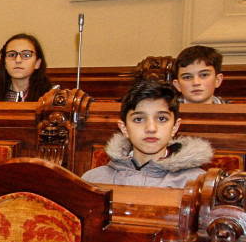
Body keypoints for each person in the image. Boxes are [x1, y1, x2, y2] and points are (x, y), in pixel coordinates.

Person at [81, 80, 212, 188]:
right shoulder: (93, 180)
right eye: (139, 119)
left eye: (162, 119)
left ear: (175, 127)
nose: (151, 128)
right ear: (124, 128)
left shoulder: (197, 183)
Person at [0, 33, 56, 102]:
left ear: (37, 63)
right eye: (12, 55)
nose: (18, 60)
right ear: (4, 63)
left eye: (26, 55)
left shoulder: (52, 96)